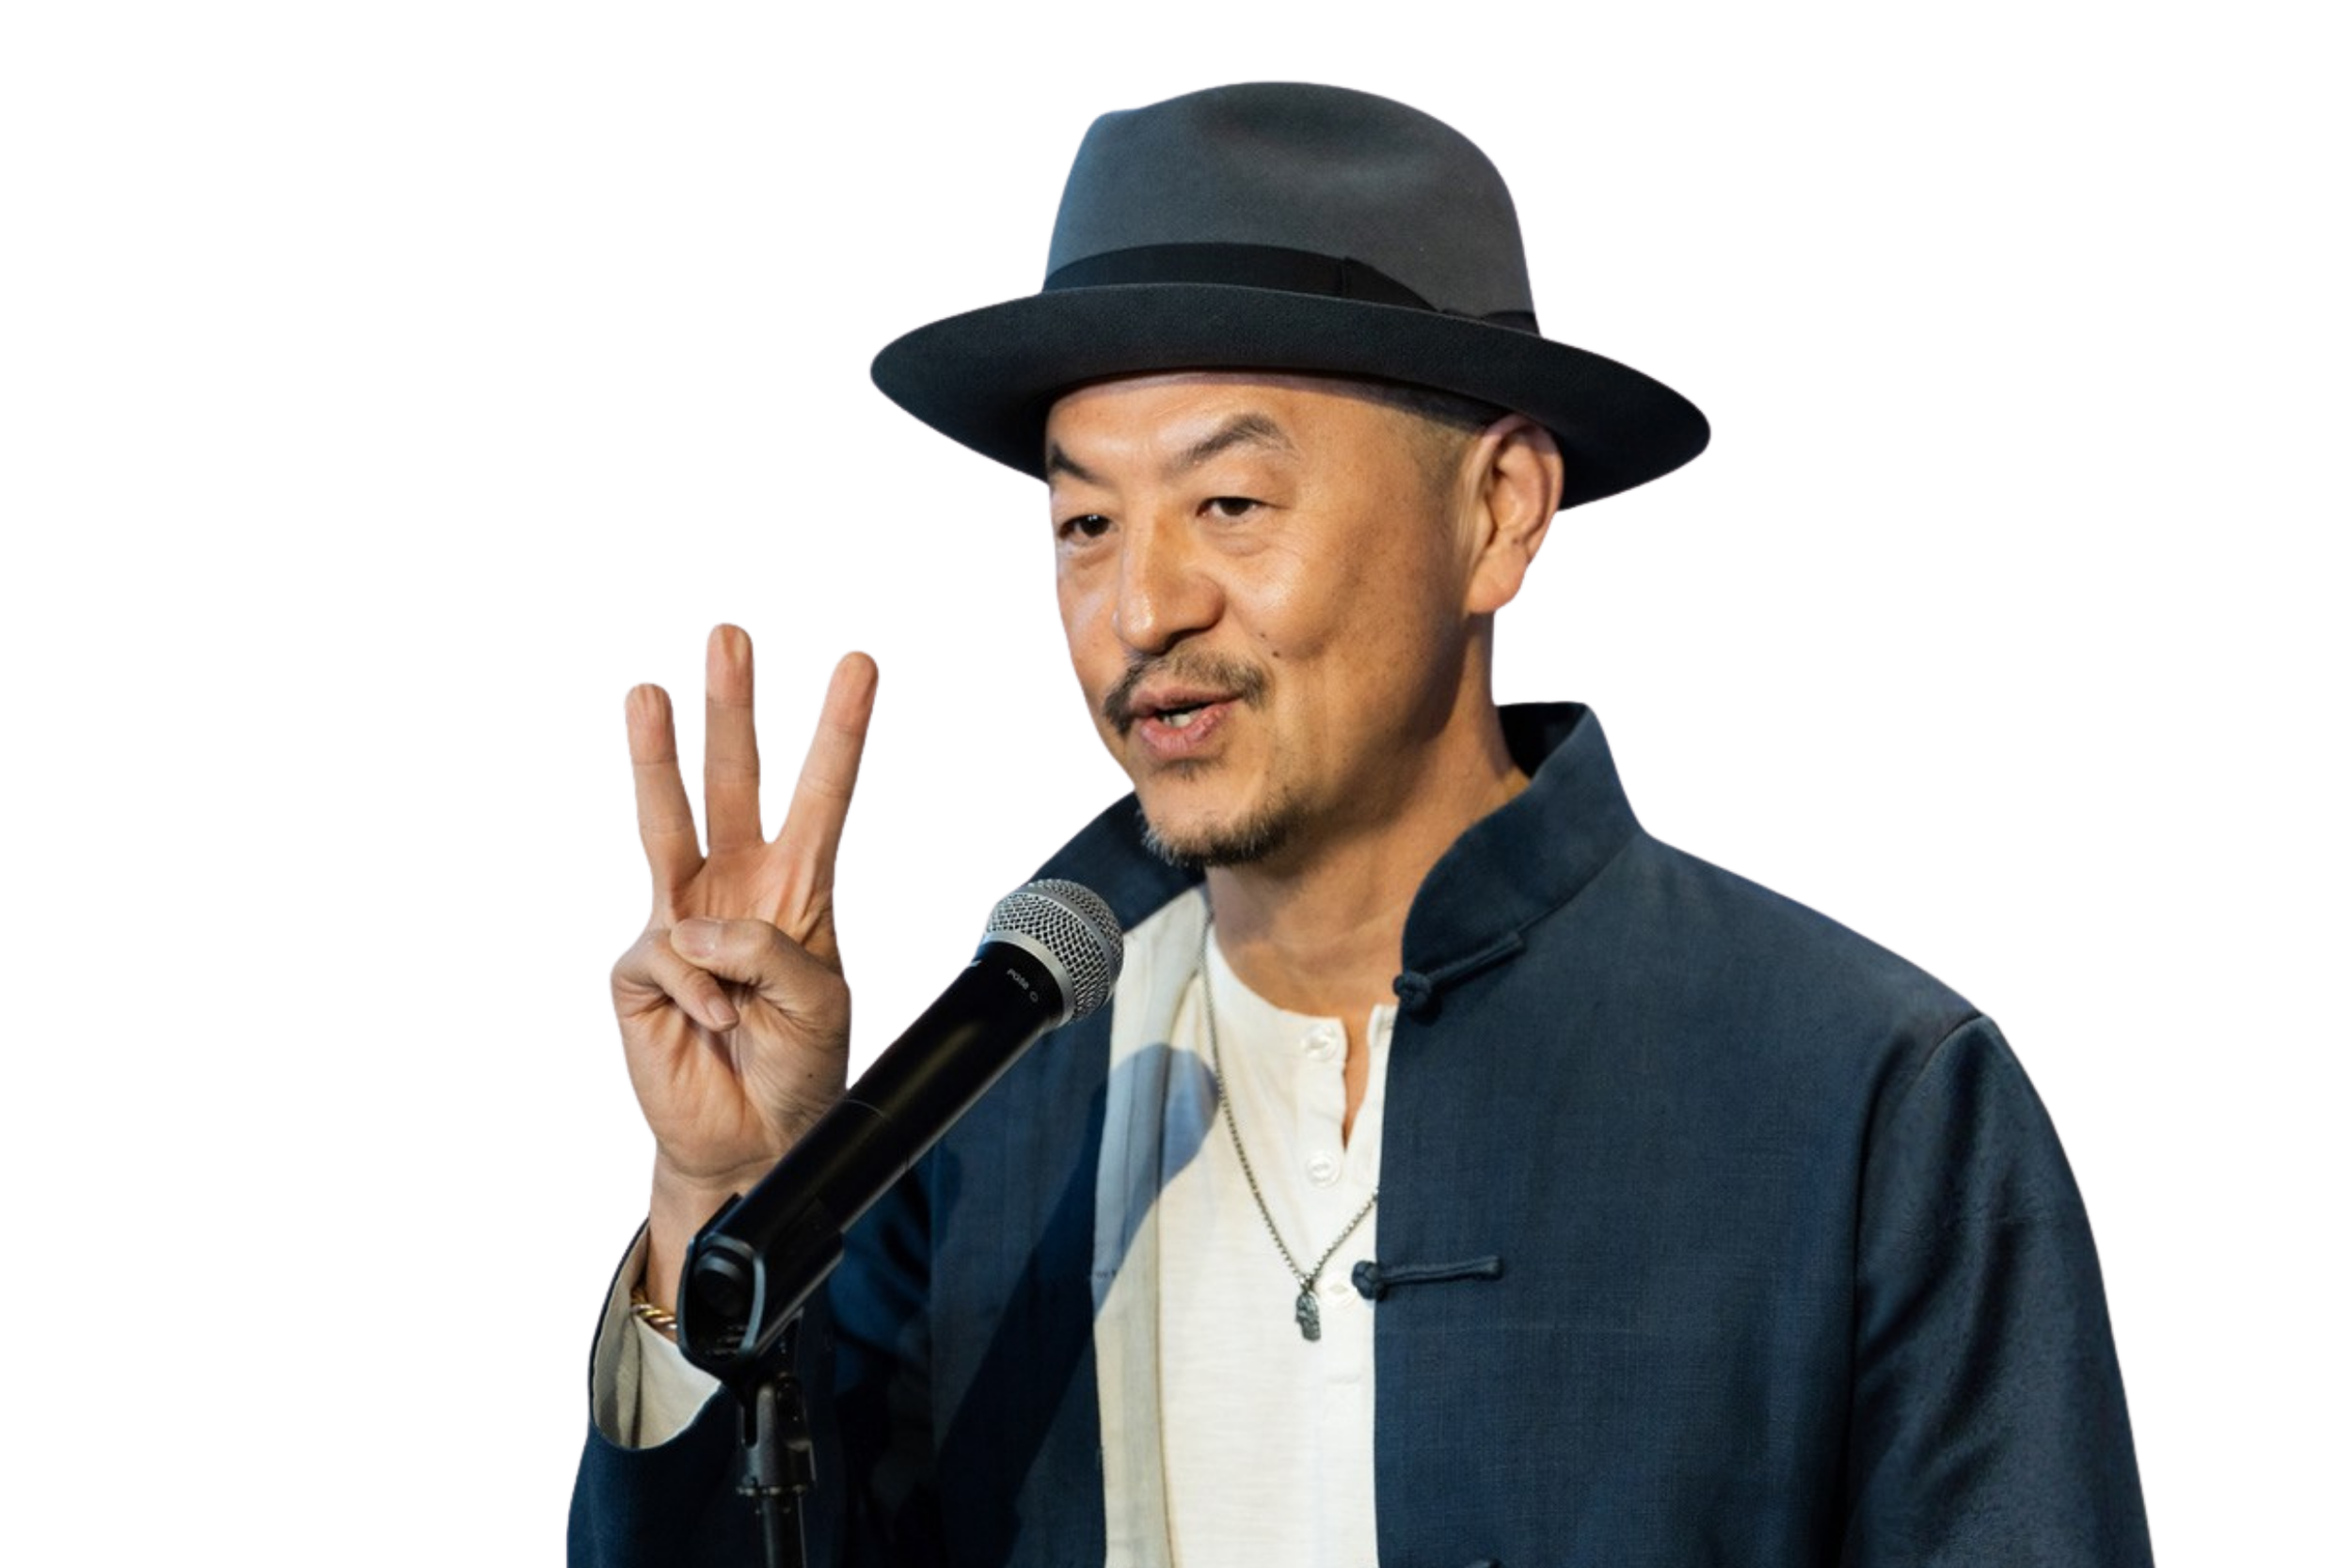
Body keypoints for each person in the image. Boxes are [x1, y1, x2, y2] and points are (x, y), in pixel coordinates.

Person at [574, 81, 2156, 1567]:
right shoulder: (989, 1096)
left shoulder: (1862, 1091)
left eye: (1230, 503)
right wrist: (726, 1195)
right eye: (1087, 521)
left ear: (1500, 510)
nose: (1141, 607)